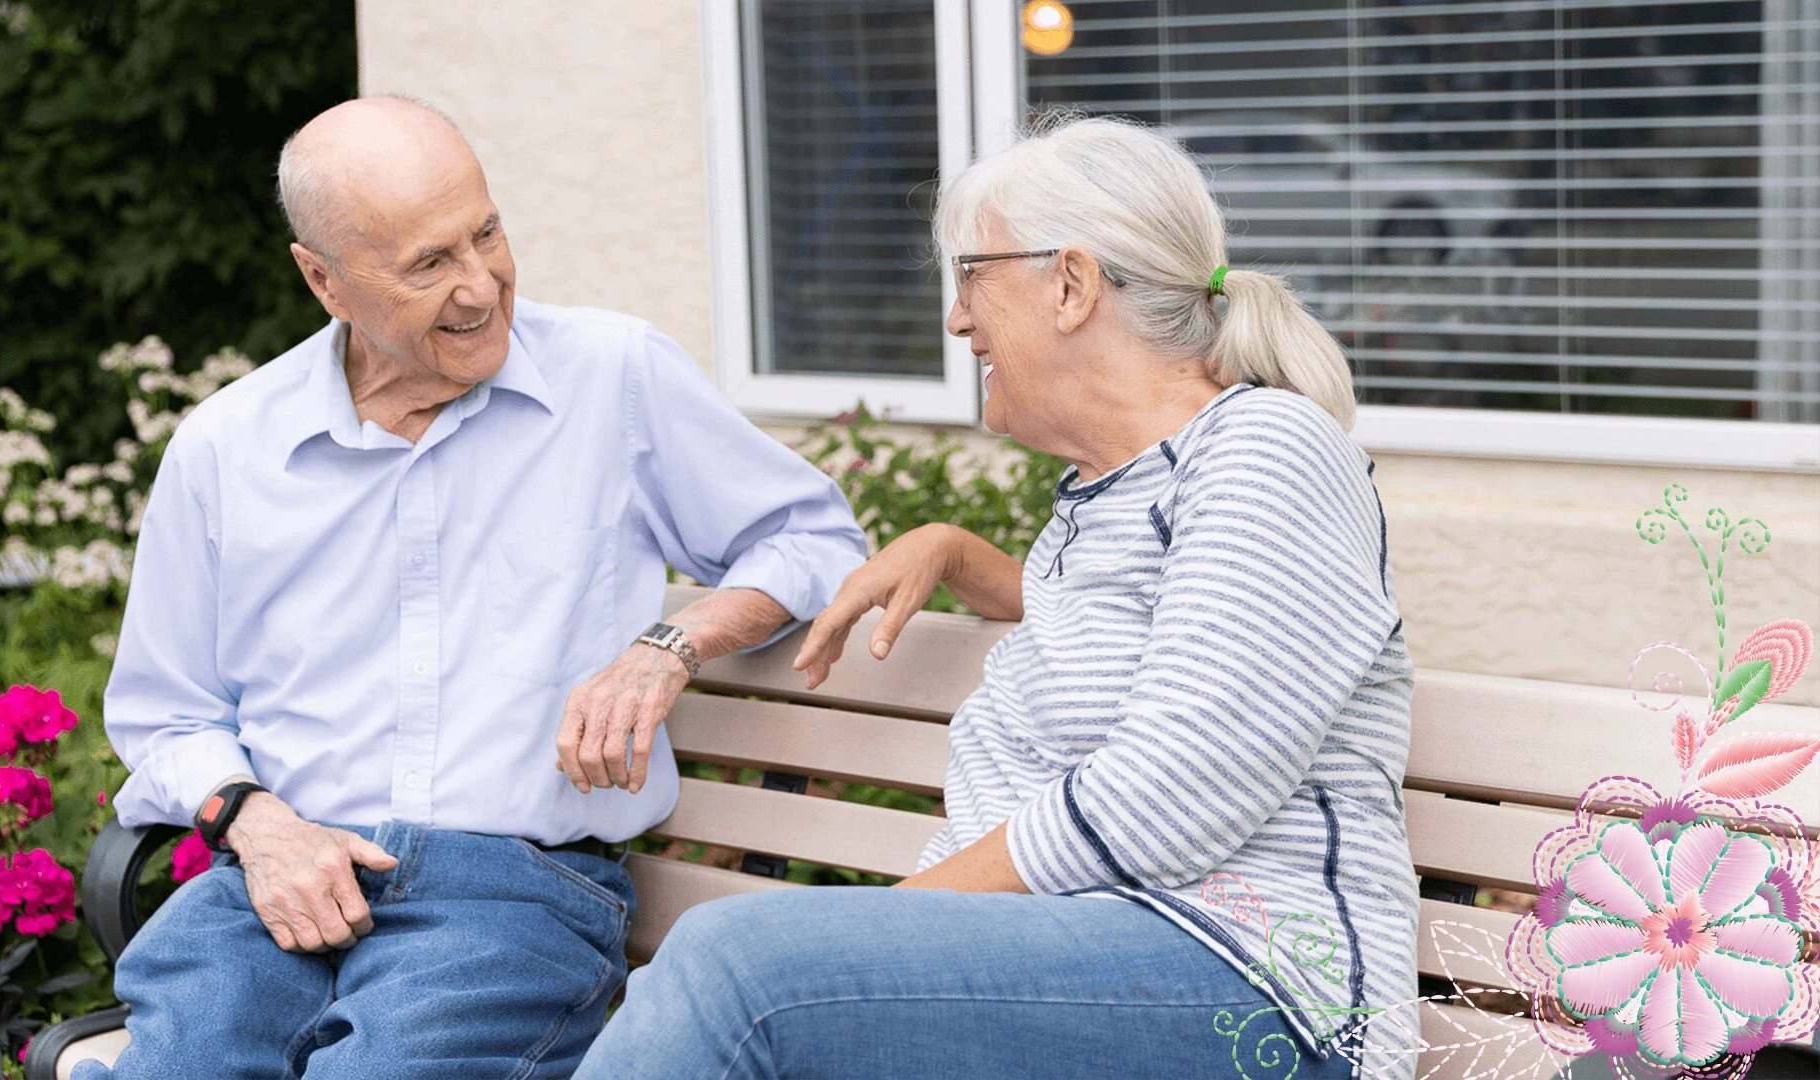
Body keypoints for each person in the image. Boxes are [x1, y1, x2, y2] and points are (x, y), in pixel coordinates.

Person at [575, 115, 1420, 1080]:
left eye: (972, 274)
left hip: (1259, 993)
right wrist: (961, 553)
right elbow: (1167, 631)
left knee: (738, 970)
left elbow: (1176, 789)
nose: (957, 318)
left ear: (1071, 284)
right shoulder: (1113, 490)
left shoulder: (1269, 451)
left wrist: (883, 929)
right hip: (1097, 961)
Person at [80, 96, 866, 1080]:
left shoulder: (613, 378)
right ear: (323, 280)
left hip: (510, 893)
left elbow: (816, 540)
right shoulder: (229, 447)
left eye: (485, 233)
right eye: (428, 264)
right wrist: (258, 823)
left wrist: (672, 642)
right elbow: (165, 711)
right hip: (276, 880)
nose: (481, 286)